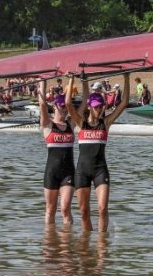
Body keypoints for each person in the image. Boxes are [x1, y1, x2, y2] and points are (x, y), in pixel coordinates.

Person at [65, 73, 130, 232]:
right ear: (89, 107)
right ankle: (86, 246)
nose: (99, 109)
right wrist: (72, 79)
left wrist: (127, 78)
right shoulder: (80, 123)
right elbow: (68, 103)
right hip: (82, 172)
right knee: (84, 212)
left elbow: (125, 102)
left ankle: (102, 245)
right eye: (96, 106)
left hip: (101, 170)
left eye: (101, 106)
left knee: (102, 209)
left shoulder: (105, 123)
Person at [36, 81, 75, 224]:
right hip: (51, 173)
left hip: (68, 172)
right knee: (50, 209)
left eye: (65, 106)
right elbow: (41, 105)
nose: (65, 109)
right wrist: (42, 83)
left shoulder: (71, 123)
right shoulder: (47, 124)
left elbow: (78, 105)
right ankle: (50, 242)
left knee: (65, 209)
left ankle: (67, 244)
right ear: (54, 106)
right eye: (62, 106)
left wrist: (73, 80)